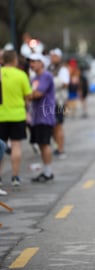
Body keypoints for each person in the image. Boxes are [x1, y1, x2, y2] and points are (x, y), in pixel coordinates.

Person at [0, 50, 32, 188]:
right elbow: (28, 96)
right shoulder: (21, 75)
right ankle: (15, 176)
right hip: (18, 115)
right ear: (15, 61)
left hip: (1, 116)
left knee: (0, 147)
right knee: (16, 145)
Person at [27, 53, 56, 183]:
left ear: (41, 63)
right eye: (30, 62)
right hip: (36, 116)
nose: (31, 64)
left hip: (45, 115)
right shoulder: (34, 78)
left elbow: (37, 93)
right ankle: (45, 171)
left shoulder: (46, 76)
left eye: (34, 61)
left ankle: (48, 172)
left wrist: (27, 95)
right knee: (40, 143)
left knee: (45, 143)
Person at [48, 48, 70, 159]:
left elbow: (65, 84)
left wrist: (52, 84)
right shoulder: (49, 68)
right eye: (51, 56)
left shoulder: (62, 70)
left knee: (58, 126)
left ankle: (61, 149)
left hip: (58, 102)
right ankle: (57, 147)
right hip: (48, 102)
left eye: (54, 56)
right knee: (51, 127)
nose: (52, 58)